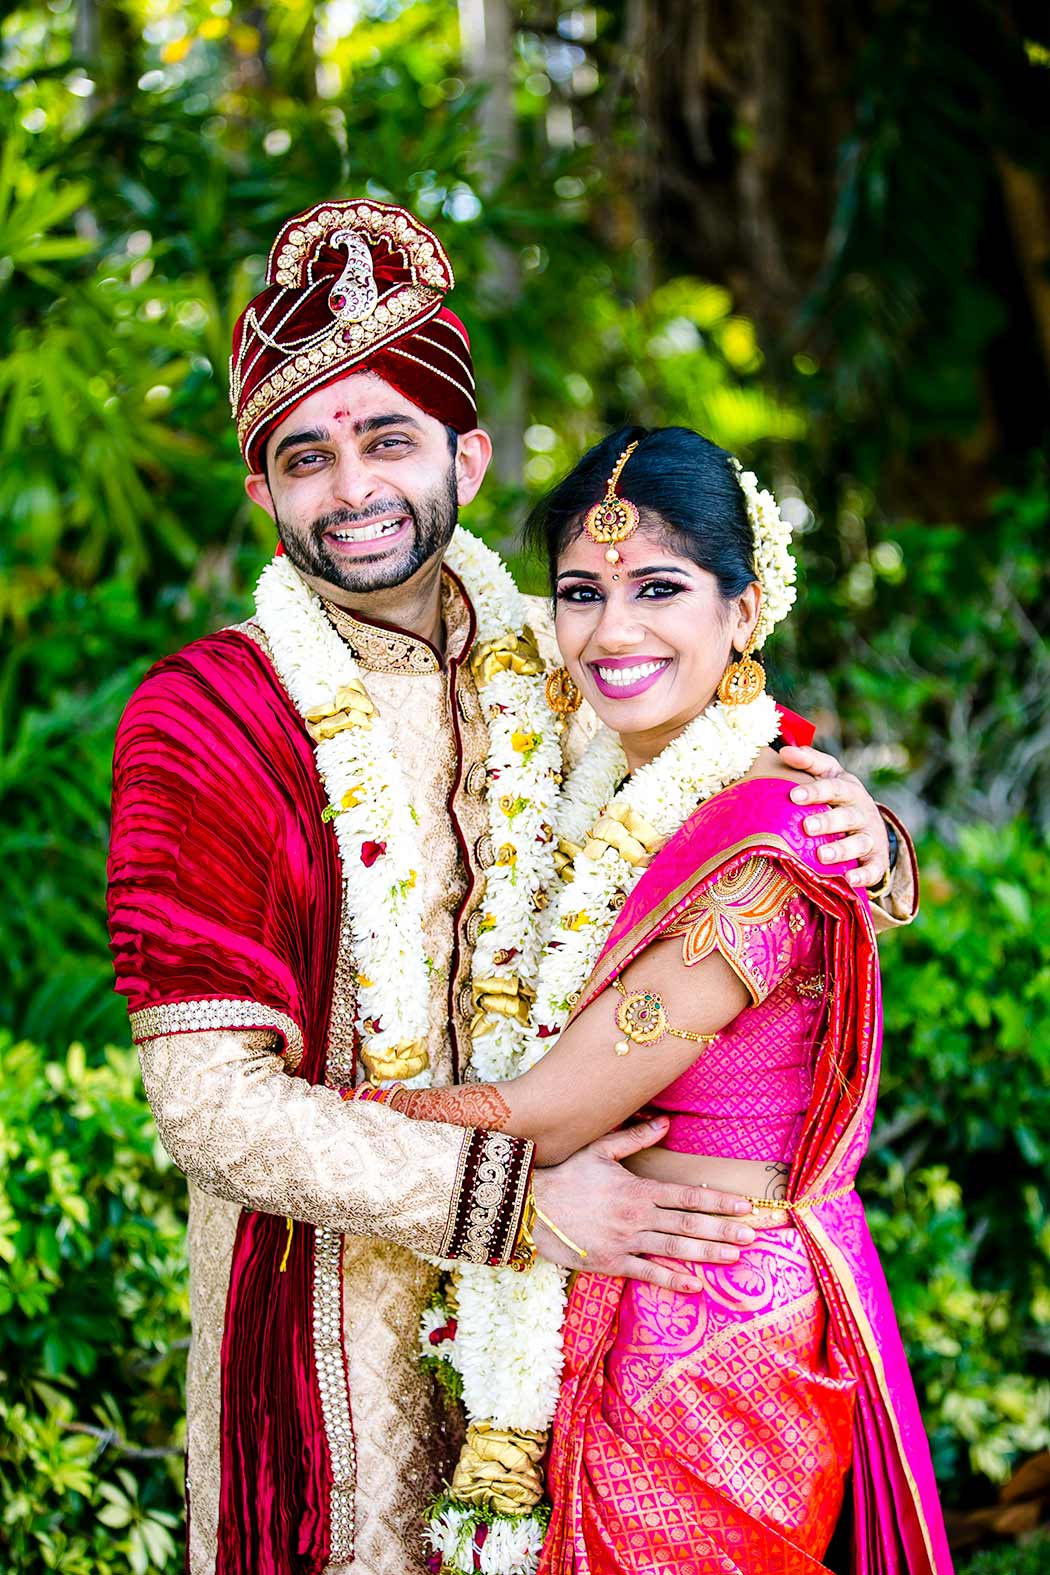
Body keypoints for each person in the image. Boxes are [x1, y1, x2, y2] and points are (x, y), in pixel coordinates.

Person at [106, 200, 918, 1575]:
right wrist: (515, 1200)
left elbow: (726, 775)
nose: (349, 483)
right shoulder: (209, 717)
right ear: (260, 491)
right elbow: (207, 1107)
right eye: (304, 455)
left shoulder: (559, 652)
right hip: (333, 1328)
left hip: (593, 1305)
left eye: (387, 437)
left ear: (465, 453)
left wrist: (875, 843)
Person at [367, 428, 951, 1574]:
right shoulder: (599, 781)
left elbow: (546, 1113)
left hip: (703, 1325)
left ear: (744, 612)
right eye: (581, 591)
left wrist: (310, 1120)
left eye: (661, 589)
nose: (613, 630)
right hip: (607, 1276)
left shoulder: (766, 843)